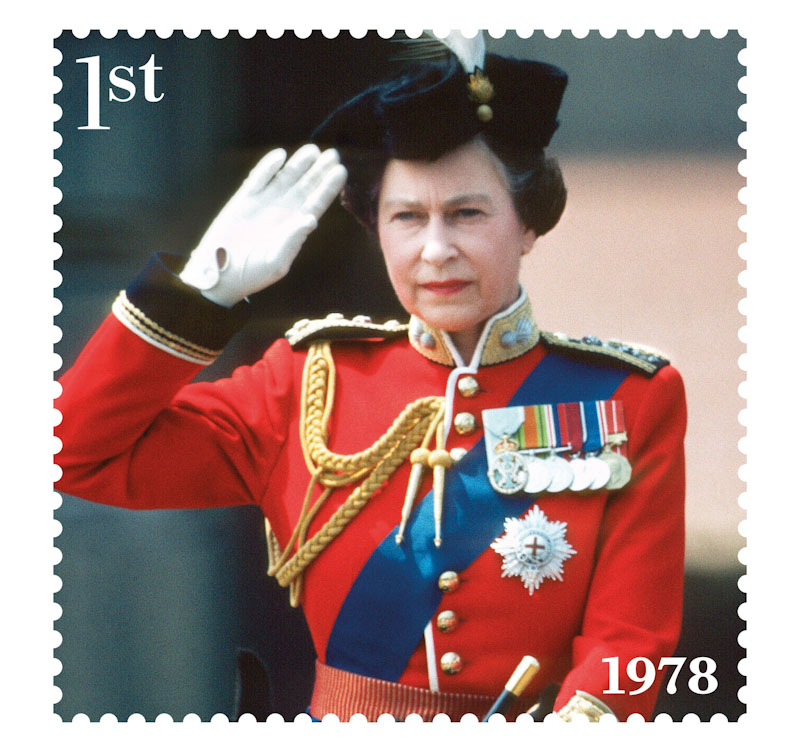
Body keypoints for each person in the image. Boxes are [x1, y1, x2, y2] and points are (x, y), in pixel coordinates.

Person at [55, 33, 686, 722]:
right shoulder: (304, 383)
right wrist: (202, 291)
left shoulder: (628, 398)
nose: (435, 249)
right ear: (377, 230)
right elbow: (72, 450)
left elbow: (630, 641)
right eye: (407, 217)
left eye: (468, 214)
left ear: (528, 223)